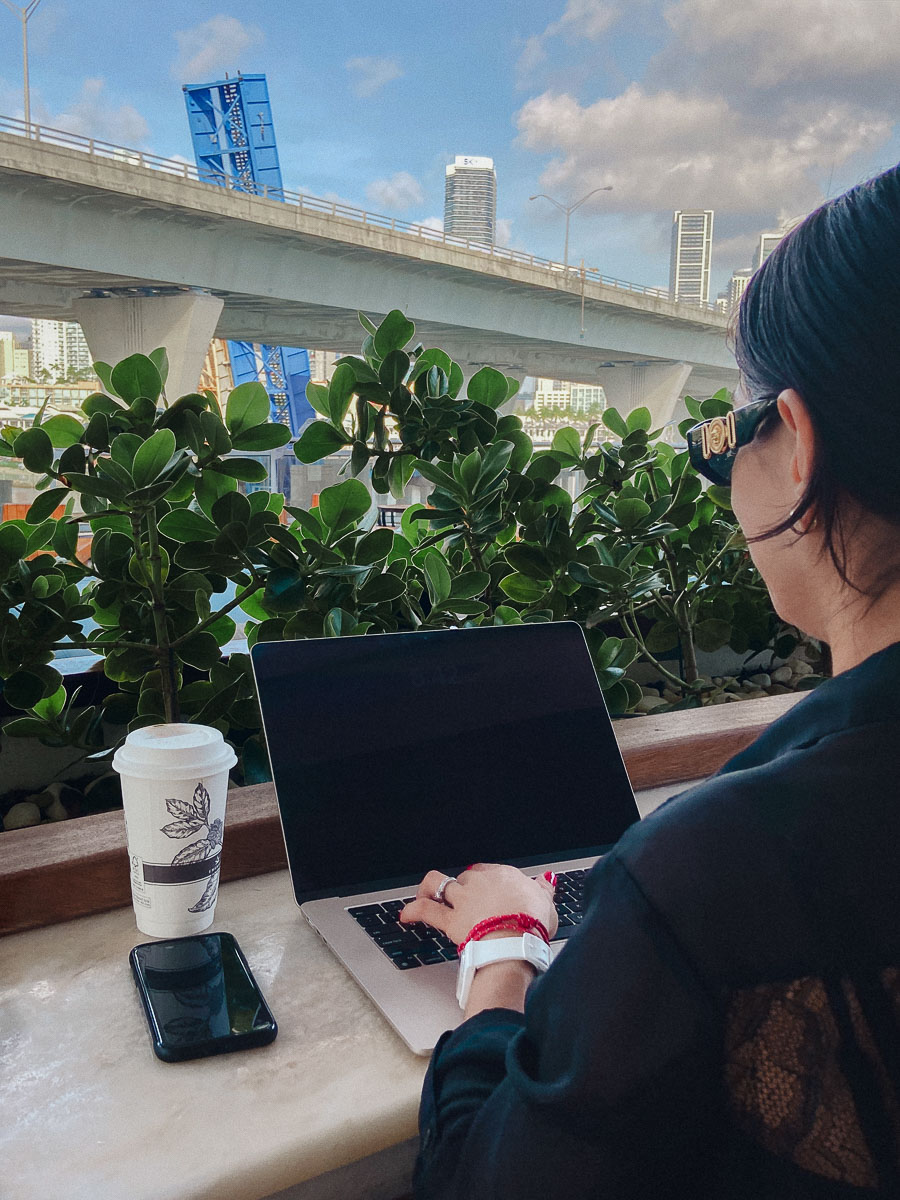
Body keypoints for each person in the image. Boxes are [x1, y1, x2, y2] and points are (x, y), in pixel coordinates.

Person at [399, 164, 900, 1198]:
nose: (723, 476)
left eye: (724, 439)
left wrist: (503, 951)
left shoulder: (715, 877)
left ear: (798, 445)